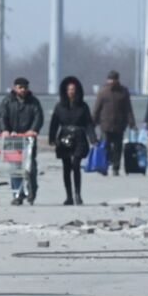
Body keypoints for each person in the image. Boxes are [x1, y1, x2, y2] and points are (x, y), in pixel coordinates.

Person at [47, 75, 96, 205]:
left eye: (73, 89)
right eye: (69, 89)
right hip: (64, 137)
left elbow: (89, 123)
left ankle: (78, 194)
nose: (71, 91)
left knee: (76, 165)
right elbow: (54, 123)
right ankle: (69, 196)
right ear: (65, 91)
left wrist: (93, 138)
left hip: (79, 136)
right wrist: (52, 138)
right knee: (66, 167)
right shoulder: (59, 107)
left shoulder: (83, 106)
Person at [0, 77, 45, 204]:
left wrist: (33, 130)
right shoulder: (7, 101)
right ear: (15, 88)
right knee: (15, 167)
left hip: (29, 139)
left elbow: (38, 117)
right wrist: (4, 130)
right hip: (13, 139)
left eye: (25, 87)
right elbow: (2, 116)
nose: (23, 90)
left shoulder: (33, 102)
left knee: (31, 167)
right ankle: (17, 194)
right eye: (20, 87)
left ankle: (31, 190)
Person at [91, 70, 136, 176]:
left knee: (117, 147)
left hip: (119, 124)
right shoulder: (103, 92)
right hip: (105, 124)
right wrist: (92, 122)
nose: (111, 81)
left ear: (117, 80)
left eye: (113, 79)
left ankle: (116, 167)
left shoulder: (123, 91)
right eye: (110, 79)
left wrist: (131, 122)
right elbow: (97, 108)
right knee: (105, 146)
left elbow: (128, 108)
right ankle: (105, 165)